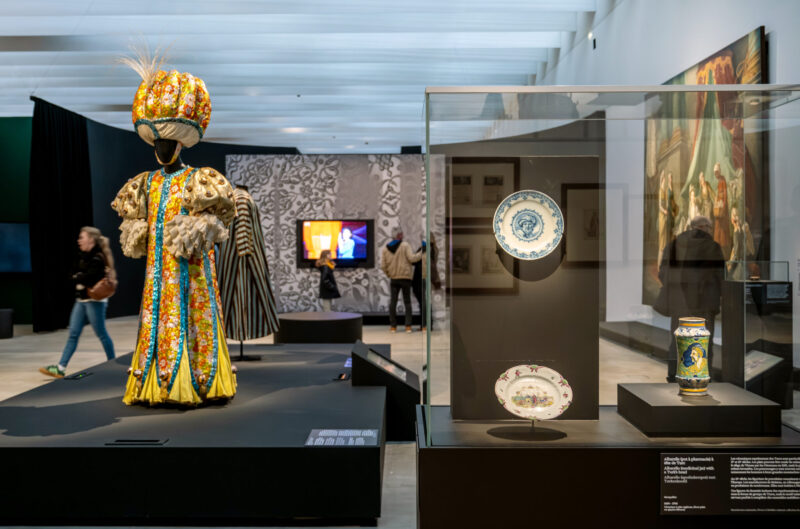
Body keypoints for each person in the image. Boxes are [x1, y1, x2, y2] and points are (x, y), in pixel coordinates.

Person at [111, 57, 237, 406]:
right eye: (157, 144)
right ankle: (159, 381)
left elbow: (216, 223)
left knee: (194, 316)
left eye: (167, 143)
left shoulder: (200, 181)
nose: (161, 150)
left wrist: (196, 231)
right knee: (158, 318)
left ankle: (199, 379)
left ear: (181, 144)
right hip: (158, 274)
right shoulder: (145, 183)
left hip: (191, 272)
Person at [40, 227, 116, 378]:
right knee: (73, 334)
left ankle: (113, 363)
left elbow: (89, 278)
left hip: (95, 302)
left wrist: (79, 277)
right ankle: (61, 367)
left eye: (82, 237)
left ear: (91, 240)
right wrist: (79, 277)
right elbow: (73, 276)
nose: (79, 240)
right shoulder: (82, 257)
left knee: (101, 334)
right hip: (81, 300)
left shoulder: (98, 258)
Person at [658, 216, 725, 382]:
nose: (710, 231)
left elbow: (663, 273)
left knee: (677, 338)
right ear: (704, 227)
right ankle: (701, 376)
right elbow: (721, 276)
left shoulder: (674, 245)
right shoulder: (713, 247)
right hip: (706, 303)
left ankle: (674, 374)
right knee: (704, 340)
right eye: (709, 227)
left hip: (679, 302)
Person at [381, 227, 422, 333]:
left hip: (394, 279)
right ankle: (408, 326)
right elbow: (412, 259)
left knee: (393, 302)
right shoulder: (405, 245)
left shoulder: (386, 248)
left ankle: (393, 326)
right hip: (405, 278)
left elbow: (383, 266)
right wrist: (422, 252)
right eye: (402, 234)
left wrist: (389, 274)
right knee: (407, 302)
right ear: (400, 235)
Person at [412, 234, 442, 331]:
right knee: (425, 302)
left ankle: (425, 325)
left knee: (424, 302)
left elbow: (414, 260)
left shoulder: (426, 249)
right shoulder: (433, 250)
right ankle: (427, 324)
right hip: (424, 277)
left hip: (421, 277)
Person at [712, 162, 732, 258]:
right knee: (717, 231)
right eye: (714, 173)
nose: (716, 174)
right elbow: (719, 196)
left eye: (717, 172)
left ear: (719, 172)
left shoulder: (723, 181)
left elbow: (724, 197)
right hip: (719, 210)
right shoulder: (720, 181)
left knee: (723, 233)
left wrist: (723, 208)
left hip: (722, 212)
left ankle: (725, 254)